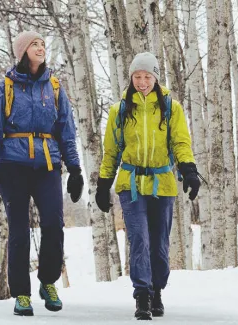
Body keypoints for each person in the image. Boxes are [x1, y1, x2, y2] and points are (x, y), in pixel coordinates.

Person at [0, 31, 84, 316]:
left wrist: (74, 168)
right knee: (19, 230)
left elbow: (66, 130)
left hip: (47, 165)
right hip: (11, 166)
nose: (40, 48)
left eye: (42, 44)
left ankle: (48, 282)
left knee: (53, 223)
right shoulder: (5, 87)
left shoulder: (54, 87)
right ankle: (21, 294)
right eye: (34, 45)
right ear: (23, 51)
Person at [95, 52, 202, 320]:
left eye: (147, 76)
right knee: (139, 238)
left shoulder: (170, 107)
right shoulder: (119, 110)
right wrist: (103, 183)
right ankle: (142, 294)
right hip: (130, 185)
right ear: (131, 78)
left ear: (155, 77)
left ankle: (157, 289)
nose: (142, 82)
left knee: (159, 244)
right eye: (137, 76)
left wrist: (188, 170)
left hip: (163, 183)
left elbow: (180, 142)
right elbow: (111, 151)